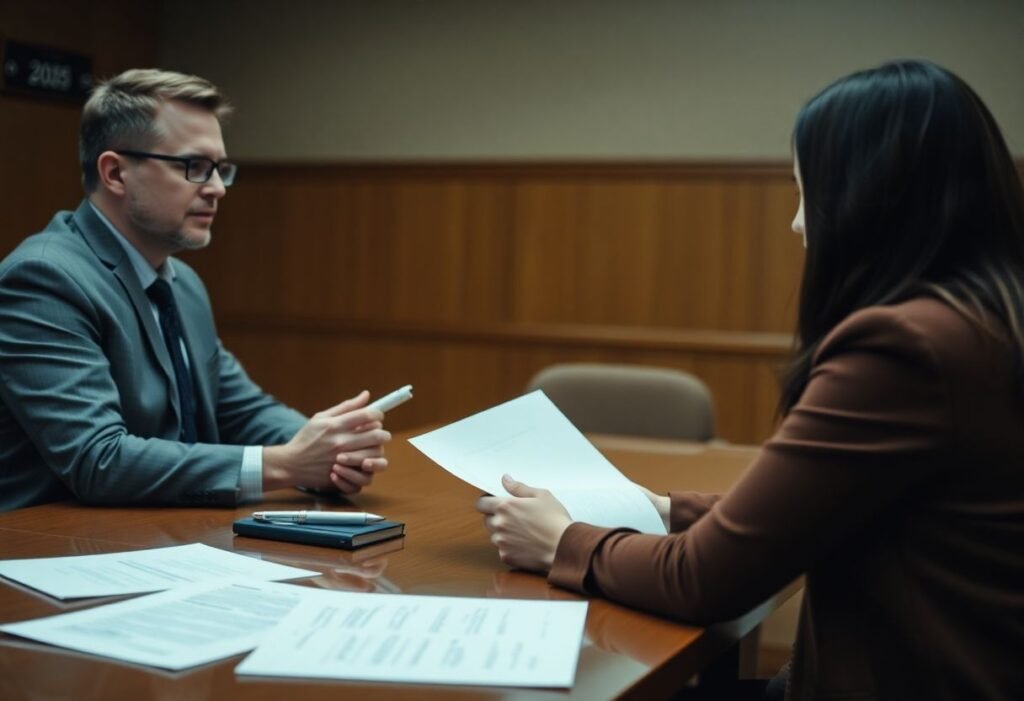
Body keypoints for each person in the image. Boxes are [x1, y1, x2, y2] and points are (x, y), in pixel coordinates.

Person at [476, 60, 1024, 701]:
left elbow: (707, 581)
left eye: (806, 192)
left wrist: (562, 542)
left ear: (871, 198)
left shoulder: (905, 349)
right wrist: (665, 509)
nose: (797, 224)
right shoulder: (988, 325)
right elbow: (847, 506)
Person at [0, 69, 390, 511]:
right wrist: (286, 464)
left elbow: (239, 409)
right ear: (115, 173)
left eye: (220, 169)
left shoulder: (181, 282)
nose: (218, 189)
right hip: (50, 554)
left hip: (163, 538)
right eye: (195, 167)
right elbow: (98, 460)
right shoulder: (43, 277)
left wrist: (331, 449)